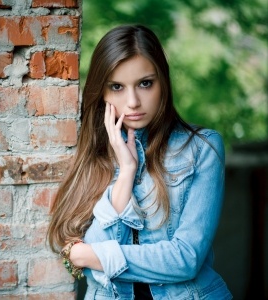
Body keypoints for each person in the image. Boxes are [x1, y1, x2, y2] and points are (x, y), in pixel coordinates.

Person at [47, 24, 232, 299]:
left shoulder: (202, 148)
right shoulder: (93, 154)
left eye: (145, 83)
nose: (133, 101)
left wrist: (94, 256)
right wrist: (126, 174)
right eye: (117, 87)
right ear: (103, 92)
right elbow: (85, 253)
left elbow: (186, 259)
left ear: (163, 83)